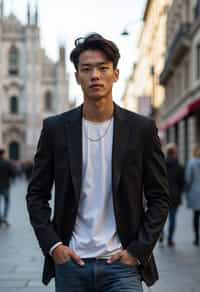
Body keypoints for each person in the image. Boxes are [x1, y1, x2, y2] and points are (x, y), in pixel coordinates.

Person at [26, 33, 169, 292]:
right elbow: (36, 194)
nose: (95, 75)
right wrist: (54, 246)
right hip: (71, 264)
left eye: (103, 68)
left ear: (115, 74)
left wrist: (137, 251)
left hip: (122, 266)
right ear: (77, 76)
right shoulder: (55, 129)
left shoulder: (141, 129)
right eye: (87, 69)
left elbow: (159, 197)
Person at [159, 143, 184, 247]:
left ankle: (160, 235)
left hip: (162, 195)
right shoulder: (179, 166)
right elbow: (182, 183)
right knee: (172, 218)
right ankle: (170, 239)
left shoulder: (161, 165)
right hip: (174, 195)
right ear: (175, 153)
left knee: (160, 218)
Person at [185, 145, 200, 246]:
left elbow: (188, 179)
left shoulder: (191, 163)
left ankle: (196, 238)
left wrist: (187, 191)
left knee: (196, 216)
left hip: (195, 193)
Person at [0, 148, 15, 226]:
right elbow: (12, 174)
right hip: (5, 185)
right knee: (6, 202)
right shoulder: (7, 163)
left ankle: (0, 217)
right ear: (3, 154)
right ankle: (4, 217)